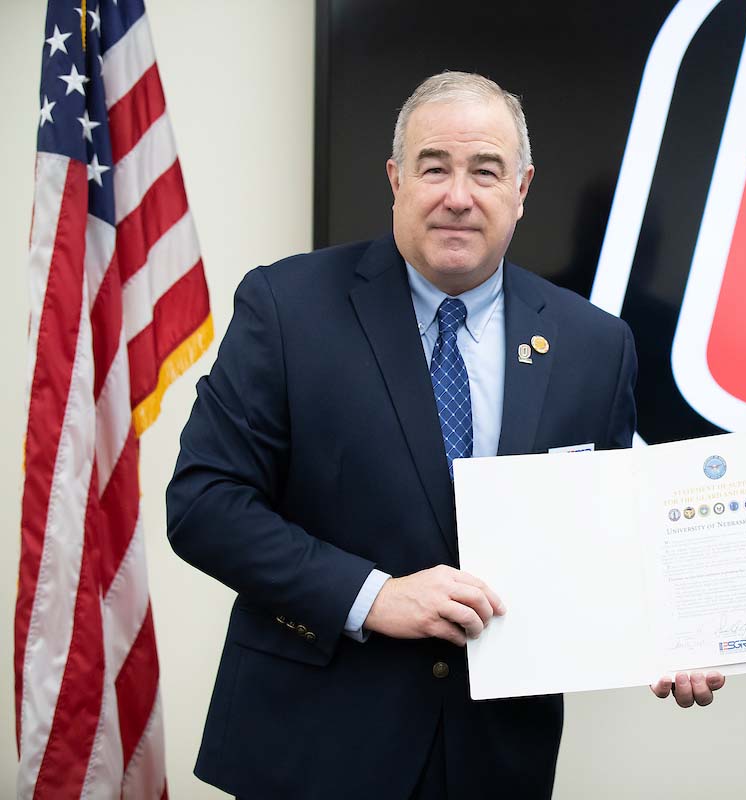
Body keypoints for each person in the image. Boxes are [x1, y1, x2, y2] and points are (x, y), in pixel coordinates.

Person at [166, 71, 637, 799]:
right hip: (313, 746)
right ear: (395, 178)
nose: (458, 195)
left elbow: (604, 538)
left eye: (485, 171)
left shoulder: (594, 345)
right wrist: (371, 595)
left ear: (523, 187)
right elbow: (203, 504)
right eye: (434, 167)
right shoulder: (287, 308)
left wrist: (682, 626)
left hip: (494, 758)